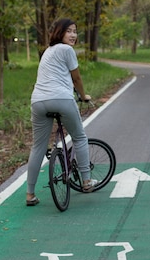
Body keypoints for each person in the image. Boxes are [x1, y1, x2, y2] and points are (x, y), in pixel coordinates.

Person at [25, 18, 97, 206]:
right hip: (62, 99)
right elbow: (77, 78)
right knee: (80, 137)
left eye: (75, 31)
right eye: (69, 31)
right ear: (59, 32)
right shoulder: (67, 50)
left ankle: (30, 194)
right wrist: (83, 96)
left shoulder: (47, 52)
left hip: (38, 101)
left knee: (38, 147)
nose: (73, 35)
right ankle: (87, 181)